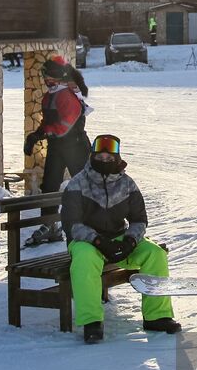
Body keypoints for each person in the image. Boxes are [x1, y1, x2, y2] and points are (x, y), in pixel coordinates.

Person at [62, 134, 179, 344]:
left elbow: (139, 219)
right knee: (85, 260)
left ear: (117, 158)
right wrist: (99, 242)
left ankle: (157, 316)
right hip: (87, 242)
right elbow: (72, 224)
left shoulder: (126, 183)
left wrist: (130, 242)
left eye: (109, 158)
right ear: (93, 156)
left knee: (155, 254)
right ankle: (92, 322)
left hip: (119, 239)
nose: (104, 161)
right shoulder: (78, 183)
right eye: (100, 157)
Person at [24, 56, 91, 245]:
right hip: (57, 146)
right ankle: (50, 224)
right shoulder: (50, 96)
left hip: (75, 146)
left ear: (57, 77)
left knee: (84, 184)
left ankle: (93, 221)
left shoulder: (67, 96)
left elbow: (63, 126)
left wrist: (42, 134)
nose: (46, 81)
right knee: (50, 185)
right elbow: (48, 123)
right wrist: (35, 135)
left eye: (48, 77)